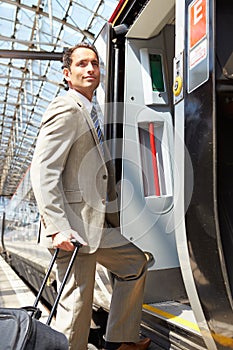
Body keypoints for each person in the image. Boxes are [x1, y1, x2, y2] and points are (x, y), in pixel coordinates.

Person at [30, 42, 150, 350]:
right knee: (74, 310)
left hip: (96, 228)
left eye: (94, 64)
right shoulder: (66, 107)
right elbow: (43, 170)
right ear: (68, 74)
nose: (90, 69)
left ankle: (120, 341)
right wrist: (56, 227)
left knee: (134, 264)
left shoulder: (90, 109)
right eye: (82, 64)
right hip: (73, 229)